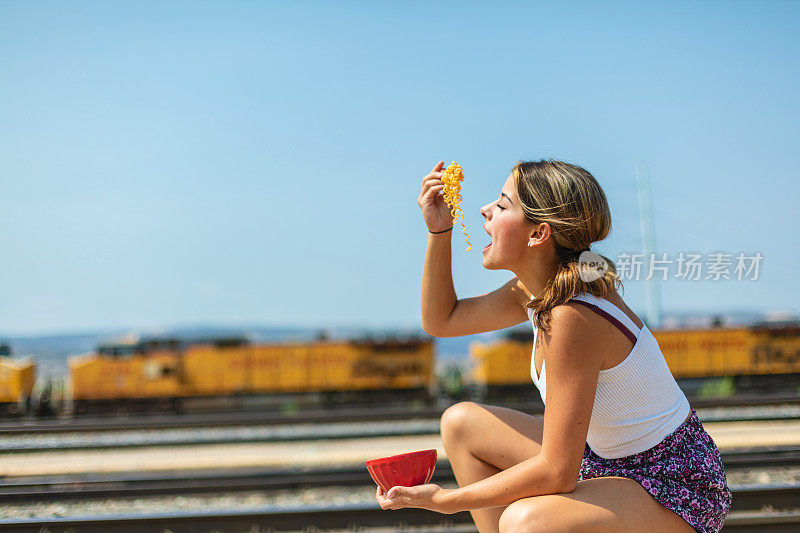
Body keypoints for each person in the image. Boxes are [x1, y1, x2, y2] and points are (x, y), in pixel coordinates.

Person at [375, 159, 732, 532]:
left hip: (671, 485)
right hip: (602, 460)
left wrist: (444, 501)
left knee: (525, 522)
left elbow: (557, 471)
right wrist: (439, 231)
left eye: (501, 205)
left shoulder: (571, 316)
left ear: (538, 234)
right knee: (461, 424)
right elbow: (441, 320)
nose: (484, 209)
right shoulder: (536, 290)